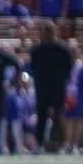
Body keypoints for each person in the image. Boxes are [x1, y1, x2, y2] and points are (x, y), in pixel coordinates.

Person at [28, 21, 74, 152]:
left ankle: (62, 144)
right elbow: (33, 67)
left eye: (50, 31)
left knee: (58, 116)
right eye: (46, 31)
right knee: (42, 116)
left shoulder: (63, 49)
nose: (48, 34)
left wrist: (61, 79)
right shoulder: (38, 50)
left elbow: (69, 67)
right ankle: (39, 144)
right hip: (42, 88)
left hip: (57, 88)